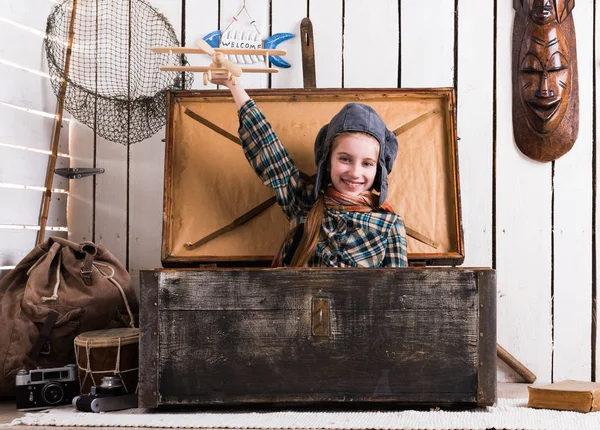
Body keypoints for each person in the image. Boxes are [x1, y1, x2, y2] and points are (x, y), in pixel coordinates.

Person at [211, 74, 408, 267]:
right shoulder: (304, 204)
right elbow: (269, 150)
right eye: (345, 159)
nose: (355, 173)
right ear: (328, 161)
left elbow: (399, 292)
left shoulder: (389, 224)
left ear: (379, 169)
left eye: (367, 163)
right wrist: (233, 84)